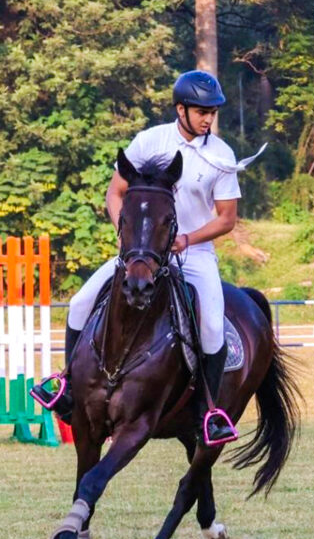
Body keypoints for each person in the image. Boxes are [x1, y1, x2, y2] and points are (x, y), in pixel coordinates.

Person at [32, 70, 240, 444]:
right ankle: (66, 382)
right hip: (141, 252)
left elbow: (227, 218)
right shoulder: (149, 141)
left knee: (210, 325)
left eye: (213, 112)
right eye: (201, 111)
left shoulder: (221, 156)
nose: (209, 118)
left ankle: (209, 411)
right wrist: (124, 237)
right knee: (80, 303)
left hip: (193, 254)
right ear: (181, 109)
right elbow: (116, 193)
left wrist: (188, 239)